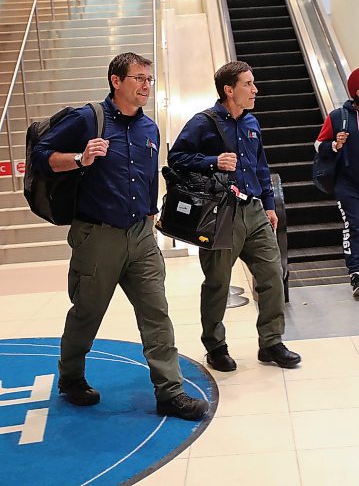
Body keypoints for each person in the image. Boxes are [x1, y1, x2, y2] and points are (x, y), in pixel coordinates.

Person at [32, 52, 208, 420]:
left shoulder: (150, 129)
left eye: (149, 79)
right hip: (98, 236)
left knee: (156, 312)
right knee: (88, 312)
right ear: (116, 81)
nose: (146, 86)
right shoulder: (88, 119)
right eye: (139, 78)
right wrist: (80, 158)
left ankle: (169, 391)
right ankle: (71, 377)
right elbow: (40, 155)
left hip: (142, 235)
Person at [168, 61, 301, 372]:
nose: (255, 90)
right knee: (217, 283)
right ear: (229, 90)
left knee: (271, 275)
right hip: (220, 214)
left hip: (254, 210)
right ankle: (215, 347)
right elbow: (177, 158)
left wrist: (269, 204)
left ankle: (271, 342)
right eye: (248, 84)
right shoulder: (204, 122)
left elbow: (262, 167)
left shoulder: (252, 123)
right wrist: (214, 161)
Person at [315, 68, 359, 299]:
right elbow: (318, 144)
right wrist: (335, 145)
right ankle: (356, 273)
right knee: (354, 225)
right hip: (348, 183)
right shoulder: (337, 116)